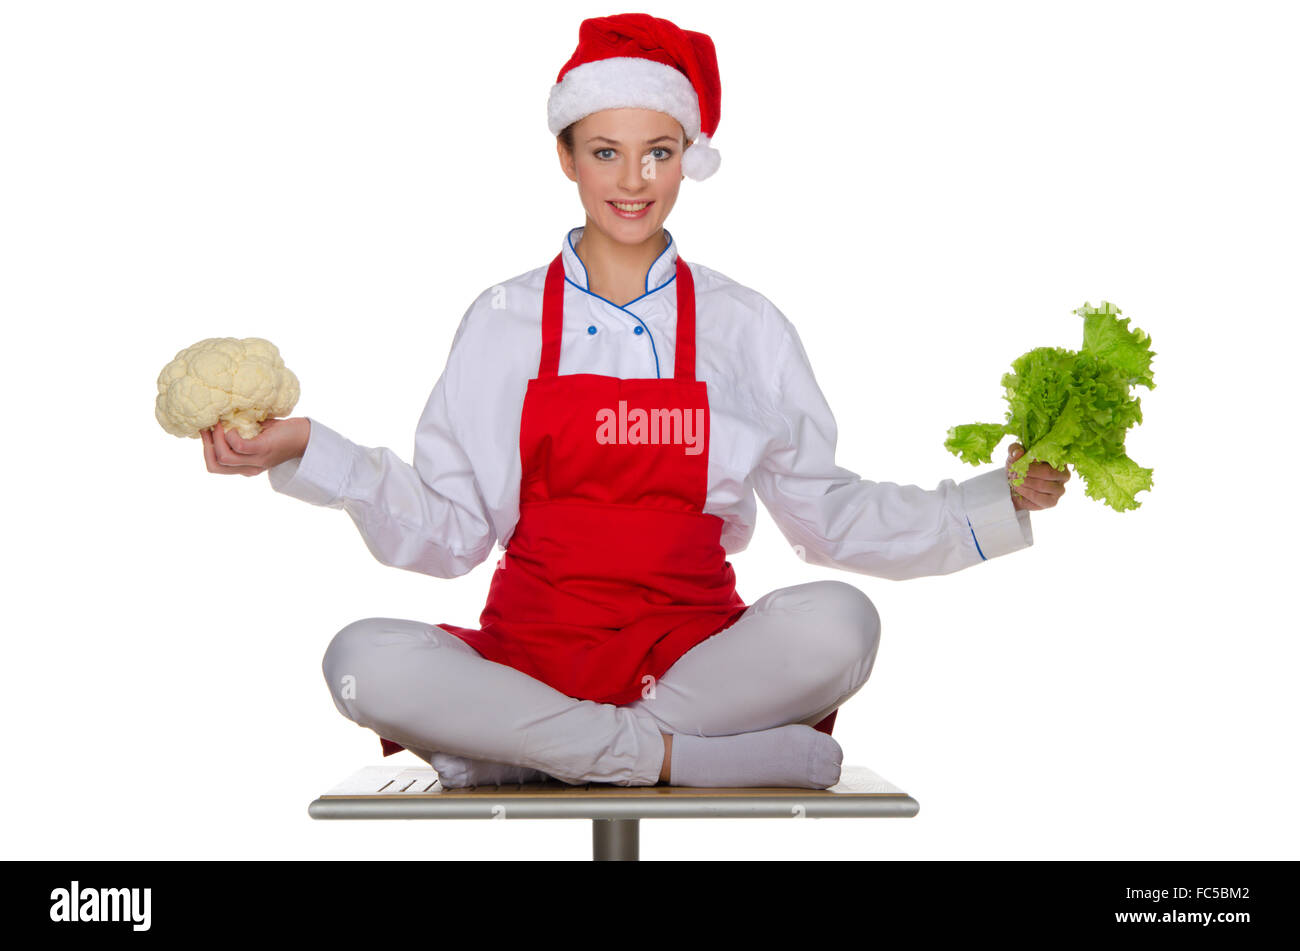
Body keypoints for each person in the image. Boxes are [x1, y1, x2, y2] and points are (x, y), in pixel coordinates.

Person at [200, 13, 1068, 790]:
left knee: (843, 623)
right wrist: (308, 447)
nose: (634, 178)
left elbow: (828, 515)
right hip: (530, 657)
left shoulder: (745, 325)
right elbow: (451, 530)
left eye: (659, 150)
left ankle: (540, 751)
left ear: (687, 156)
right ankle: (666, 759)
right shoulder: (501, 323)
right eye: (606, 151)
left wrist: (993, 501)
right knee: (360, 657)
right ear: (566, 156)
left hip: (697, 658)